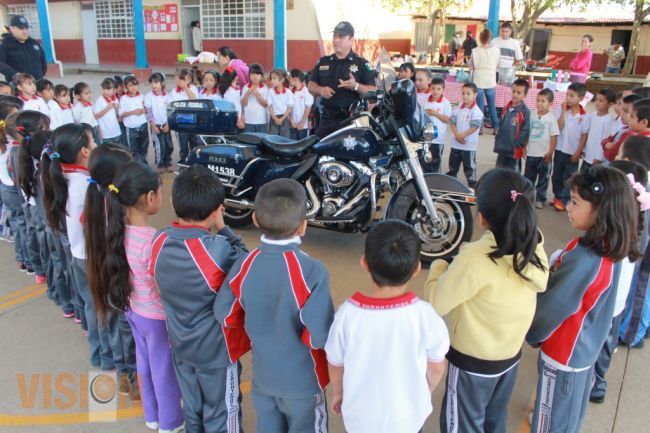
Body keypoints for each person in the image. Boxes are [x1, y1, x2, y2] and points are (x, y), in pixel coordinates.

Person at [427, 168, 549, 433]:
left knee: (462, 424)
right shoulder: (534, 245)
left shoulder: (474, 259)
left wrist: (439, 265)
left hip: (472, 361)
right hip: (509, 355)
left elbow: (437, 302)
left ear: (481, 218)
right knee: (494, 419)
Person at [526, 166, 640, 433]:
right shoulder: (610, 248)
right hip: (584, 352)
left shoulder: (584, 259)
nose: (568, 206)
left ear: (601, 209)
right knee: (569, 420)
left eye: (576, 202)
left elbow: (554, 307)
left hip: (562, 354)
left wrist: (532, 333)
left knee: (548, 423)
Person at [215, 178, 334, 433]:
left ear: (255, 219)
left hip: (263, 379)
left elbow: (224, 313)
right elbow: (318, 336)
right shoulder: (313, 271)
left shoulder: (244, 265)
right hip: (303, 383)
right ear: (303, 226)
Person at [324, 220, 448, 433]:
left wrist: (338, 393)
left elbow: (335, 363)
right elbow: (436, 366)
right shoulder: (426, 316)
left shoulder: (347, 315)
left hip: (360, 421)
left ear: (364, 263)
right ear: (417, 269)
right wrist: (425, 389)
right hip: (408, 419)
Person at [86, 160, 184, 432]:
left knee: (145, 363)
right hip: (155, 316)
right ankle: (170, 421)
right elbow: (160, 285)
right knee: (163, 369)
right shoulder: (152, 240)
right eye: (160, 193)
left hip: (133, 310)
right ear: (149, 197)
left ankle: (152, 415)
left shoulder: (117, 232)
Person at [150, 165, 247, 433]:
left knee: (192, 407)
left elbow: (157, 287)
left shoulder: (158, 241)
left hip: (180, 344)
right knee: (222, 411)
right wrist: (224, 228)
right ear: (218, 209)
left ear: (173, 201)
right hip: (216, 350)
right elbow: (246, 262)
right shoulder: (218, 249)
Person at [41, 124, 117, 371]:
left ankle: (98, 353)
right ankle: (107, 357)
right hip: (93, 257)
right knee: (104, 311)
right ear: (84, 151)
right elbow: (95, 226)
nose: (95, 145)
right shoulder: (85, 186)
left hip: (78, 254)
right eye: (92, 142)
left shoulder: (63, 175)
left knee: (92, 306)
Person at [590, 160, 648, 402]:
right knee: (605, 344)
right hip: (617, 304)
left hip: (601, 303)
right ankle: (599, 384)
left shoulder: (609, 231)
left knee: (595, 345)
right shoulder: (636, 221)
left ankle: (593, 384)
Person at [308, 21, 376, 138]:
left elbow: (373, 90)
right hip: (327, 120)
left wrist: (356, 86)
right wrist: (320, 90)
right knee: (317, 152)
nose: (336, 40)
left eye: (341, 36)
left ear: (351, 40)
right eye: (334, 36)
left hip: (352, 121)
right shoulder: (324, 61)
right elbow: (310, 85)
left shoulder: (361, 63)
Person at [15, 112, 50, 287]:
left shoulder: (22, 151)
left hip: (32, 204)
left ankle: (39, 270)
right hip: (39, 207)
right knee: (44, 241)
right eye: (46, 129)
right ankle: (42, 270)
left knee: (37, 235)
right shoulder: (37, 159)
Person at [550, 82, 589, 211]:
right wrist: (562, 111)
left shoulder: (584, 116)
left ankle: (565, 199)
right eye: (567, 95)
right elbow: (558, 127)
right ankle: (557, 196)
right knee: (557, 174)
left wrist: (578, 152)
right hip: (559, 149)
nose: (567, 98)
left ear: (581, 99)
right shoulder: (561, 111)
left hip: (573, 152)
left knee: (570, 177)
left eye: (572, 96)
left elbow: (584, 136)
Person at [525, 89, 560, 209]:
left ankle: (540, 198)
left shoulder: (551, 118)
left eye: (543, 101)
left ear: (550, 104)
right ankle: (528, 197)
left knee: (543, 178)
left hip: (544, 155)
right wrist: (525, 147)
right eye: (538, 100)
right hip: (532, 153)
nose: (539, 103)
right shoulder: (532, 114)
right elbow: (527, 132)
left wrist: (550, 152)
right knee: (529, 177)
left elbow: (554, 137)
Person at [447, 82, 483, 188]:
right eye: (463, 93)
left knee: (469, 168)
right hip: (455, 144)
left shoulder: (476, 111)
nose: (465, 96)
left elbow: (475, 126)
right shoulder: (457, 109)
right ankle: (450, 186)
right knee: (453, 166)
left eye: (468, 94)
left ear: (475, 95)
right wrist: (457, 135)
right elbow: (452, 122)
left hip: (468, 146)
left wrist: (462, 135)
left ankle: (472, 188)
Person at [415, 72, 451, 173]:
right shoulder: (427, 101)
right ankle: (426, 178)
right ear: (430, 88)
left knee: (436, 159)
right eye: (433, 88)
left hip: (438, 138)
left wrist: (435, 113)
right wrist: (426, 113)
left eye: (438, 89)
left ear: (443, 90)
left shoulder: (446, 103)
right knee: (425, 158)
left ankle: (435, 179)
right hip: (426, 137)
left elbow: (447, 120)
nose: (435, 91)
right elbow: (422, 115)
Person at [494, 78, 531, 171]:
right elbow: (500, 123)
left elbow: (525, 130)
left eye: (518, 93)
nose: (515, 94)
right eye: (513, 91)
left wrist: (518, 143)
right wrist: (498, 136)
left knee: (512, 175)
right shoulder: (506, 107)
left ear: (524, 95)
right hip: (502, 147)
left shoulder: (525, 112)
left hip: (514, 150)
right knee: (499, 171)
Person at [470, 29, 500, 131]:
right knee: (492, 106)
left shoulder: (475, 51)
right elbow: (498, 65)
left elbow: (471, 66)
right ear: (490, 39)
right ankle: (496, 127)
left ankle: (480, 127)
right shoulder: (496, 50)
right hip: (491, 80)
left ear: (480, 39)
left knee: (479, 106)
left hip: (478, 80)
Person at [0, 15, 46, 81]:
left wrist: (40, 75)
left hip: (38, 84)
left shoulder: (34, 43)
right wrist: (16, 75)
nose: (25, 31)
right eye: (21, 28)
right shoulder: (5, 45)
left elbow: (43, 63)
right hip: (18, 86)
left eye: (26, 28)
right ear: (12, 29)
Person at [144, 72, 173, 173]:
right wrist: (153, 125)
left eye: (156, 82)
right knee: (159, 146)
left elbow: (170, 112)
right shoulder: (148, 96)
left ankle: (168, 162)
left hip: (166, 125)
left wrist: (168, 124)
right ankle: (160, 164)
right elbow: (148, 112)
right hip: (155, 125)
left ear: (162, 83)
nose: (154, 85)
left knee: (169, 145)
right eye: (152, 83)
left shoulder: (168, 96)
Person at [581, 88, 616, 171]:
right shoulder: (592, 115)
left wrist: (599, 157)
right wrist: (583, 149)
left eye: (601, 100)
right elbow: (588, 134)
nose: (597, 102)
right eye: (596, 99)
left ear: (610, 104)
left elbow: (605, 139)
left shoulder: (608, 120)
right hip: (588, 154)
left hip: (596, 159)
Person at [169, 69, 198, 163]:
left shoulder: (193, 88)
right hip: (180, 122)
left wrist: (186, 87)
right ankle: (184, 162)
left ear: (189, 80)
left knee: (194, 143)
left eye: (183, 79)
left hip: (193, 121)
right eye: (179, 79)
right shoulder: (174, 91)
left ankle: (194, 161)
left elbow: (194, 99)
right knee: (183, 145)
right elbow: (171, 106)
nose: (181, 81)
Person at [120, 76, 150, 164]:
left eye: (135, 85)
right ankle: (136, 165)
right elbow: (122, 113)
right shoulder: (124, 99)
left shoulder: (142, 96)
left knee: (144, 146)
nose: (133, 87)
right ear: (126, 87)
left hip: (143, 126)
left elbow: (147, 108)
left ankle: (144, 164)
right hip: (131, 128)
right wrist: (133, 112)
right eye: (130, 86)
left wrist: (144, 110)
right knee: (133, 149)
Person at [604, 93, 642, 161]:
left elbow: (610, 155)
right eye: (622, 109)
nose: (621, 113)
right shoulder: (625, 128)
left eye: (626, 111)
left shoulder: (630, 134)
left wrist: (606, 146)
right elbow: (607, 139)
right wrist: (605, 143)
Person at [241, 63, 269, 133]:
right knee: (248, 141)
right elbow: (243, 104)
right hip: (248, 120)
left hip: (261, 120)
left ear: (261, 76)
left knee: (261, 141)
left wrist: (257, 94)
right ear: (249, 75)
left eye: (257, 74)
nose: (255, 76)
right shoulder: (245, 87)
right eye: (252, 74)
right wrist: (247, 94)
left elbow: (265, 104)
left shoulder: (265, 88)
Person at [93, 78, 122, 144]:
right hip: (106, 133)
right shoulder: (99, 100)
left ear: (115, 90)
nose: (105, 91)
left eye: (108, 89)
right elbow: (96, 116)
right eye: (104, 88)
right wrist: (107, 109)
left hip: (116, 131)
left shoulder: (115, 98)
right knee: (108, 152)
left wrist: (117, 108)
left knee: (118, 150)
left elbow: (118, 115)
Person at [268, 68, 293, 137]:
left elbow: (289, 107)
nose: (272, 81)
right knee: (273, 139)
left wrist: (282, 118)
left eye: (274, 78)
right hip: (274, 117)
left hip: (284, 118)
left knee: (285, 139)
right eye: (271, 78)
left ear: (282, 80)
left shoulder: (288, 92)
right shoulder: (270, 91)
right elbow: (269, 106)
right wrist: (274, 118)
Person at [289, 69, 314, 139]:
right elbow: (287, 108)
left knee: (302, 147)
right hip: (292, 125)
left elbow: (308, 108)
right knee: (292, 146)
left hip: (303, 126)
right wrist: (291, 121)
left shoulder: (306, 91)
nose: (289, 80)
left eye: (289, 78)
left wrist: (302, 123)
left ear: (295, 79)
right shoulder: (289, 92)